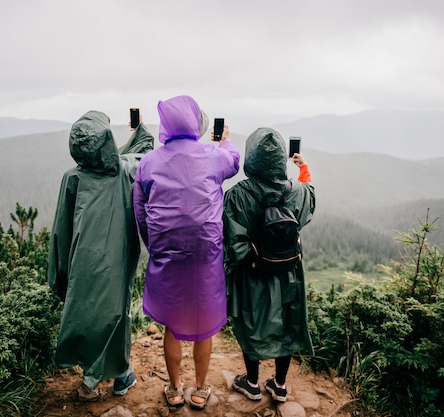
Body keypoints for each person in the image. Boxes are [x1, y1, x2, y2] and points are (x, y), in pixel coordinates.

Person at [133, 95, 240, 409]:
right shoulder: (212, 155)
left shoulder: (149, 161)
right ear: (196, 124)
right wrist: (225, 142)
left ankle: (175, 388)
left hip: (167, 255)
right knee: (203, 320)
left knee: (172, 323)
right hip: (205, 256)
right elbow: (234, 161)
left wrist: (155, 248)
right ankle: (200, 388)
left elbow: (141, 211)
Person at [47, 110, 154, 401]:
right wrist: (140, 128)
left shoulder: (73, 177)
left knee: (85, 313)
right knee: (114, 314)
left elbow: (61, 228)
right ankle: (115, 377)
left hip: (81, 261)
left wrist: (59, 270)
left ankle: (100, 377)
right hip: (118, 260)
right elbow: (145, 153)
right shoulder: (126, 170)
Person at [222, 127, 315, 402]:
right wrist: (303, 166)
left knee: (252, 322)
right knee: (286, 324)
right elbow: (310, 195)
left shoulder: (238, 194)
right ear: (280, 160)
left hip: (253, 273)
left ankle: (251, 382)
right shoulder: (296, 191)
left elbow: (232, 239)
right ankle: (280, 385)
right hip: (289, 273)